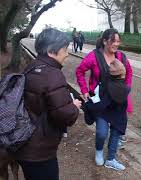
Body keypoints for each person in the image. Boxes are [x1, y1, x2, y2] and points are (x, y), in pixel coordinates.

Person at [15, 28, 81, 180]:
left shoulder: (32, 67)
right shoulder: (53, 74)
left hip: (25, 143)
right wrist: (74, 107)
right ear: (52, 50)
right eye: (64, 49)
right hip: (40, 152)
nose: (67, 54)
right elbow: (65, 116)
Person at [76, 28, 133, 171]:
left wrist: (126, 88)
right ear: (105, 41)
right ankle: (99, 151)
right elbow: (80, 71)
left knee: (116, 130)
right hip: (101, 102)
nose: (116, 44)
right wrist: (84, 90)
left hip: (118, 102)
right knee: (102, 132)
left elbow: (129, 71)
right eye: (113, 41)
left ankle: (111, 158)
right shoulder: (94, 56)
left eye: (118, 41)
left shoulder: (121, 57)